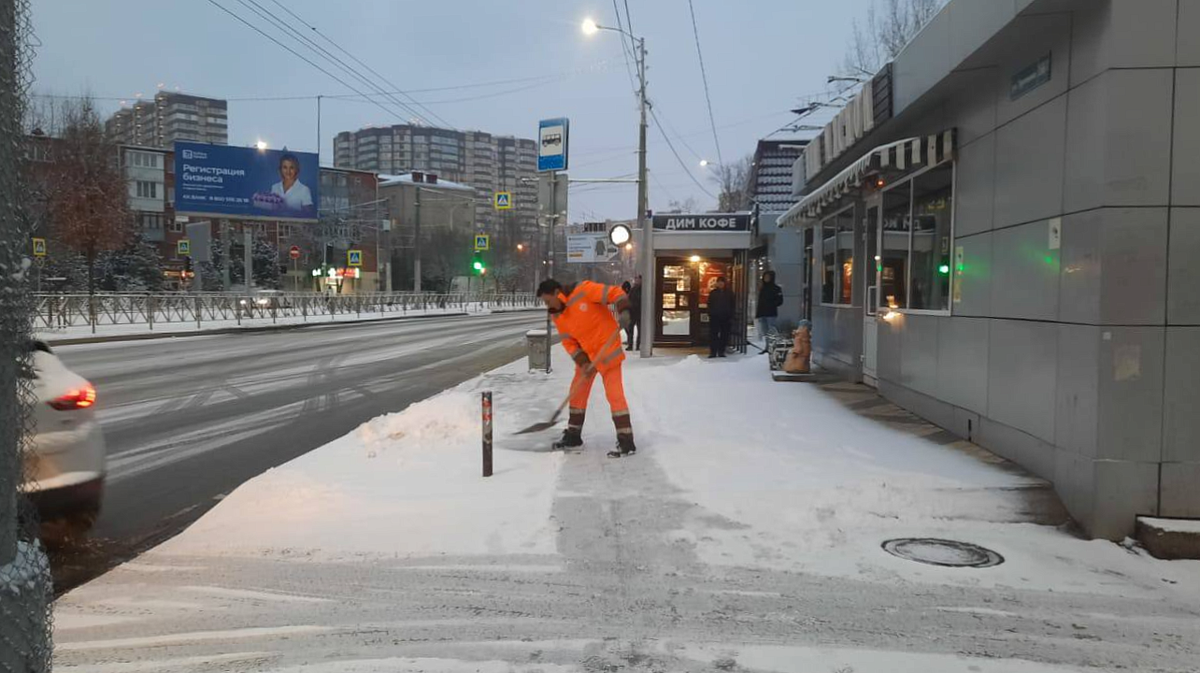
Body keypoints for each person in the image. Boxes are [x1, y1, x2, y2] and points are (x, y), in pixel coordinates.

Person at [538, 278, 637, 458]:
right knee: (577, 394)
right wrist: (583, 362)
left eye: (547, 301)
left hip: (607, 352)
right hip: (588, 357)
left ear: (555, 293)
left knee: (615, 396)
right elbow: (569, 342)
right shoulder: (557, 315)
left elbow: (615, 292)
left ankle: (626, 441)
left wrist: (624, 310)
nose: (546, 306)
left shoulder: (584, 290)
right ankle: (574, 437)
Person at [707, 276, 735, 359]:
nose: (720, 284)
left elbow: (732, 304)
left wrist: (731, 315)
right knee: (713, 334)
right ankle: (713, 352)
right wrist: (710, 313)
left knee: (724, 335)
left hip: (726, 317)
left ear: (724, 283)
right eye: (719, 282)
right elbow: (709, 304)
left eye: (722, 282)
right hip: (715, 317)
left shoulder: (729, 293)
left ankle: (721, 351)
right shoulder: (713, 293)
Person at [755, 270, 783, 345]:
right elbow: (760, 302)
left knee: (771, 331)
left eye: (768, 277)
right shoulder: (762, 288)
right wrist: (758, 314)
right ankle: (767, 346)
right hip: (762, 313)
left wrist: (771, 304)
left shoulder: (776, 288)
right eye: (765, 277)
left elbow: (780, 301)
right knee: (765, 332)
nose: (766, 278)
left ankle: (772, 346)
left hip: (771, 313)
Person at [625, 275, 642, 351]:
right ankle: (630, 345)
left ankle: (638, 345)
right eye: (635, 278)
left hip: (640, 312)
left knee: (640, 330)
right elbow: (629, 299)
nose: (636, 280)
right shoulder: (633, 289)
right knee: (630, 329)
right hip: (632, 312)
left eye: (637, 279)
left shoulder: (643, 289)